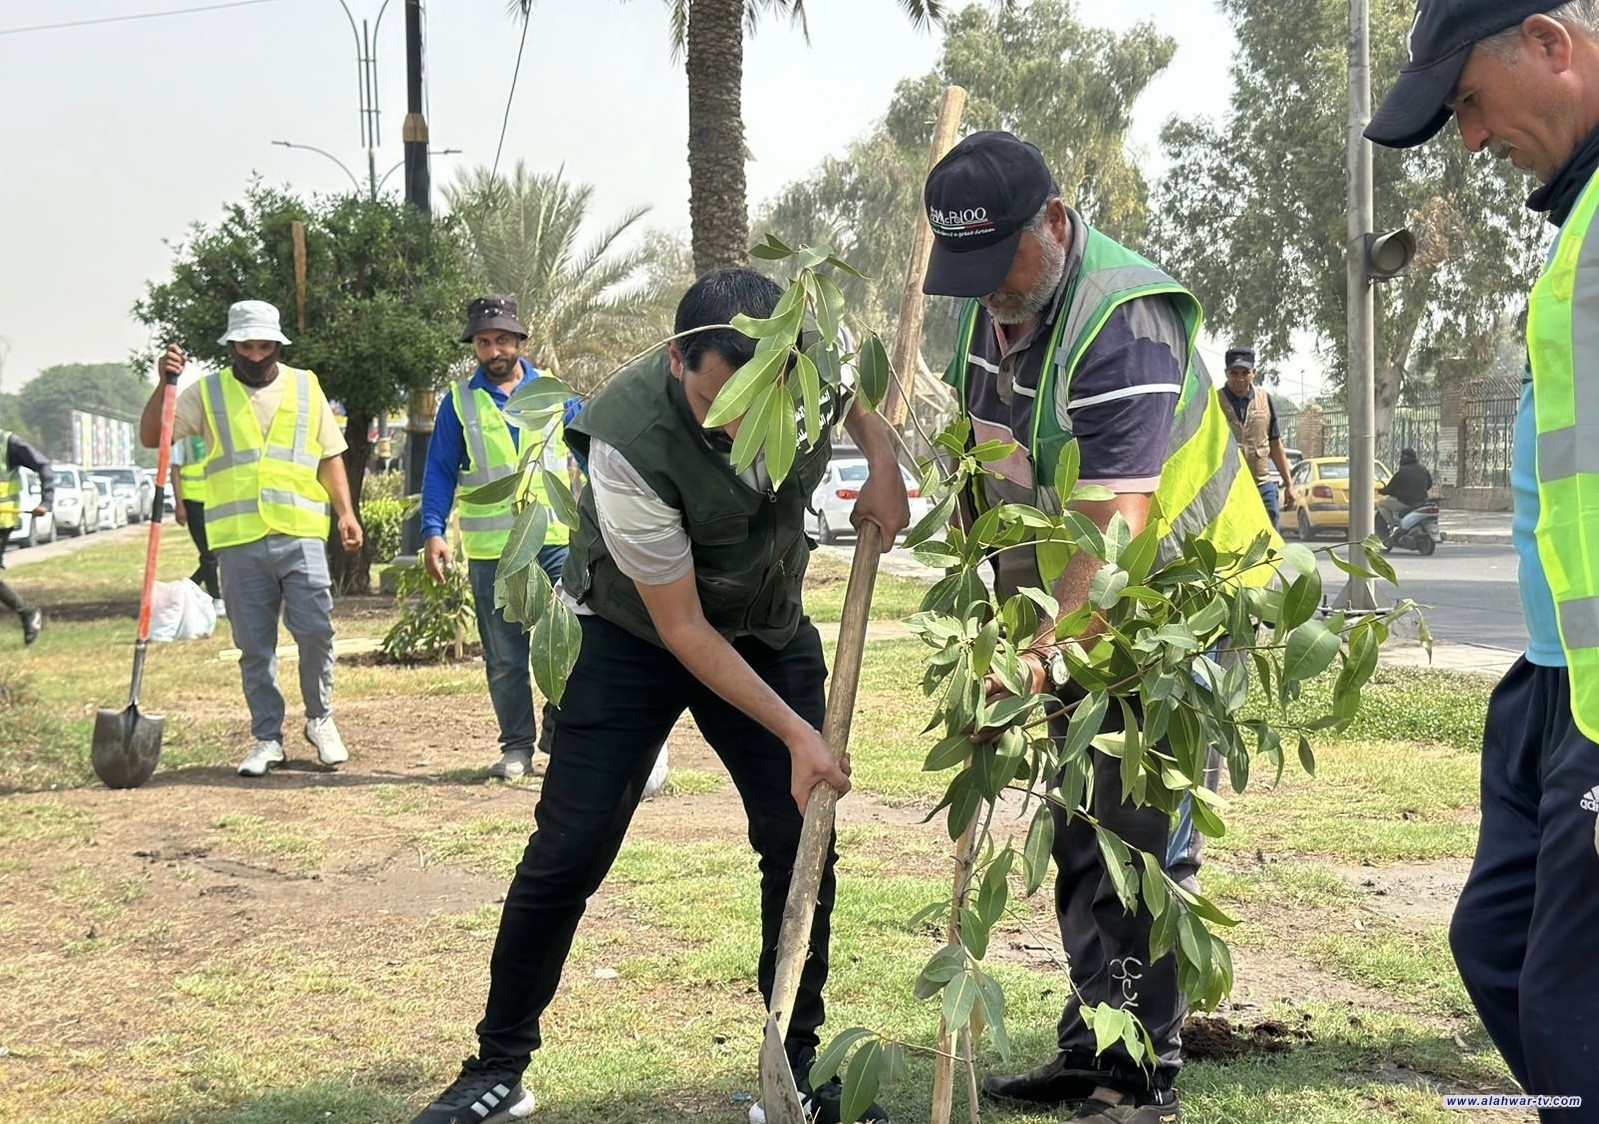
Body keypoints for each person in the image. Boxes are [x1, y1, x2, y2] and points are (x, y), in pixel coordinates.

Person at [408, 267, 911, 1124]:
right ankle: (497, 1065)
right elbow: (682, 630)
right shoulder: (625, 440)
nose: (734, 425)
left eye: (757, 404)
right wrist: (798, 733)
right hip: (636, 634)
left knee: (799, 842)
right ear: (679, 359)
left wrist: (884, 462)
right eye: (719, 401)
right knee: (567, 848)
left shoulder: (800, 368)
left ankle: (788, 1069)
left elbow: (858, 396)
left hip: (766, 623)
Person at [924, 131, 1278, 1124]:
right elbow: (988, 476)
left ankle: (1143, 1073)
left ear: (1057, 220)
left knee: (1136, 833)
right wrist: (997, 626)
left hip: (1176, 601)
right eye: (972, 272)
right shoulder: (983, 320)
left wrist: (1043, 652)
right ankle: (1094, 1044)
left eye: (1004, 264)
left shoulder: (1124, 318)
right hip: (1077, 610)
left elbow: (1116, 521)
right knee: (1082, 825)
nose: (991, 291)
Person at [1367, 3, 1599, 1117]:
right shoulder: (1581, 210)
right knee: (1495, 942)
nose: (1467, 138)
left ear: (1552, 44)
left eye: (1466, 101)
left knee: (1568, 1007)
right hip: (1555, 671)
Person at [141, 300, 363, 778]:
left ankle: (320, 719)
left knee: (316, 632)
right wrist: (165, 382)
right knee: (254, 646)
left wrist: (345, 512)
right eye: (247, 345)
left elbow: (330, 455)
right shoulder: (208, 393)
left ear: (278, 345)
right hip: (239, 540)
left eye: (266, 345)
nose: (257, 354)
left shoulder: (307, 387)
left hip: (301, 532)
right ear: (232, 346)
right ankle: (267, 737)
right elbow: (152, 436)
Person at [421, 295, 572, 779]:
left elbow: (591, 455)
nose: (493, 350)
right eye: (483, 342)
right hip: (493, 553)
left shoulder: (554, 392)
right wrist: (433, 530)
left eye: (502, 339)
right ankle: (517, 748)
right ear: (475, 348)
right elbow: (440, 471)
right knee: (506, 657)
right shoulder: (459, 402)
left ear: (518, 341)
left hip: (554, 543)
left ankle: (558, 734)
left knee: (569, 643)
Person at [1218, 347, 1296, 525]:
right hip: (1228, 486)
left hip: (1261, 482)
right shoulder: (1215, 401)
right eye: (1234, 373)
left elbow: (1275, 445)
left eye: (1245, 373)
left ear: (1254, 373)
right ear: (1226, 373)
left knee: (1270, 531)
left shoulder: (1264, 399)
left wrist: (1289, 484)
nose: (1240, 379)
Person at [0, 429, 52, 646]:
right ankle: (28, 613)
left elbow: (44, 466)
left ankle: (28, 613)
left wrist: (46, 501)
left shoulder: (8, 443)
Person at [171, 433, 224, 616]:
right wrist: (179, 505)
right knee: (209, 554)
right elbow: (175, 471)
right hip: (193, 502)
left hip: (216, 502)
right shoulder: (183, 441)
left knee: (215, 553)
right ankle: (216, 598)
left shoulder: (215, 434)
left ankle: (187, 589)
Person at [1376, 448, 1434, 543]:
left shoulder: (1402, 472)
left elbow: (1391, 488)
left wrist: (1383, 491)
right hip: (1421, 502)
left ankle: (1393, 525)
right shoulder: (1423, 469)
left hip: (1405, 502)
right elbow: (1429, 484)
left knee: (1381, 504)